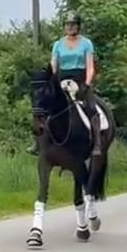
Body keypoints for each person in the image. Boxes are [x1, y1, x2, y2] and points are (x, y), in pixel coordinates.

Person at [27, 11, 103, 156]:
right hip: (62, 80)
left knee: (91, 107)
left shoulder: (86, 43)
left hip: (80, 79)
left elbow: (90, 66)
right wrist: (50, 80)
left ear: (78, 26)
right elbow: (54, 65)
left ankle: (97, 143)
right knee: (43, 105)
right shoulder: (58, 44)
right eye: (67, 24)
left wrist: (86, 85)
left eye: (72, 24)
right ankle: (38, 142)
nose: (70, 27)